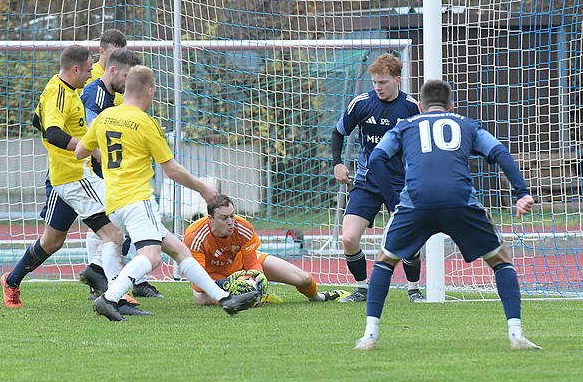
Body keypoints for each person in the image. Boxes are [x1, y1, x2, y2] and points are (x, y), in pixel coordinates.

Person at [354, 79, 540, 350]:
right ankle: (516, 334)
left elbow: (376, 159)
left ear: (419, 106)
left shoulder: (405, 126)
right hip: (459, 202)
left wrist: (394, 200)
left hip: (416, 202)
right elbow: (500, 152)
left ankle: (370, 335)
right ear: (451, 105)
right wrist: (521, 192)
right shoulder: (466, 124)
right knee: (501, 261)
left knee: (385, 262)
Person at [75, 65, 260, 320]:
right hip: (137, 201)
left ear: (126, 89)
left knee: (177, 249)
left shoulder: (105, 117)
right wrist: (204, 189)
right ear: (150, 92)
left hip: (113, 202)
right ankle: (109, 298)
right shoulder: (145, 123)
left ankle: (225, 299)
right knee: (151, 258)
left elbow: (80, 152)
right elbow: (172, 170)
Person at [0, 45, 149, 315]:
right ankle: (114, 294)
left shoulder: (69, 90)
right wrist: (85, 149)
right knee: (115, 231)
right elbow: (51, 132)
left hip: (68, 178)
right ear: (75, 69)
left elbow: (37, 119)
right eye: (89, 69)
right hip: (74, 179)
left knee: (52, 242)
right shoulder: (58, 93)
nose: (91, 74)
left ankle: (11, 281)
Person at [331, 53, 424, 302]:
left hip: (400, 184)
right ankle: (363, 288)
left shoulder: (412, 108)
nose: (378, 87)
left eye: (383, 82)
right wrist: (338, 163)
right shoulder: (361, 103)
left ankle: (414, 289)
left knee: (409, 243)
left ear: (397, 80)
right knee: (349, 238)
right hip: (367, 182)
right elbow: (338, 133)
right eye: (374, 82)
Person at [77, 47, 163, 299]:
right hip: (95, 173)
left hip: (110, 172)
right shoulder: (94, 95)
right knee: (110, 229)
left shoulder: (113, 96)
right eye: (126, 75)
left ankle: (111, 278)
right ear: (113, 69)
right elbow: (88, 142)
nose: (128, 82)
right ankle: (104, 282)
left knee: (113, 228)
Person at [184, 194, 346, 304]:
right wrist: (229, 284)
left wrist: (256, 279)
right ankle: (248, 296)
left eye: (232, 215)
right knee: (201, 298)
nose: (231, 222)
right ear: (210, 219)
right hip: (213, 277)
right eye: (224, 218)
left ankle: (319, 297)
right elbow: (199, 284)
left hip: (239, 265)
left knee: (303, 278)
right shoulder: (195, 236)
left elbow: (253, 264)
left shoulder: (243, 227)